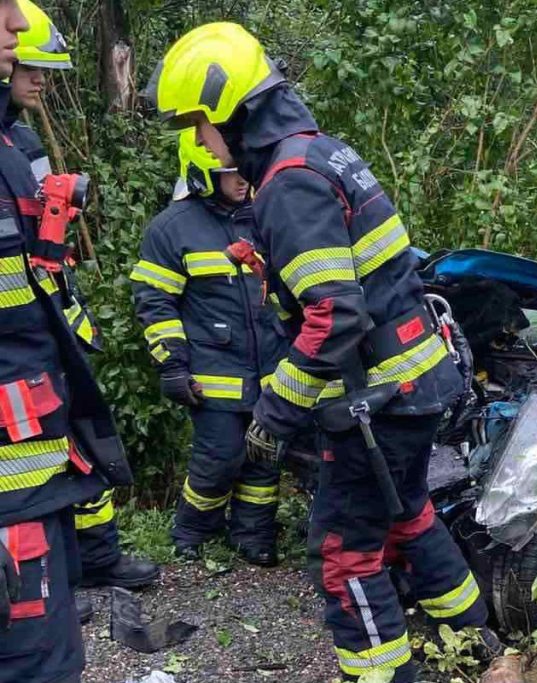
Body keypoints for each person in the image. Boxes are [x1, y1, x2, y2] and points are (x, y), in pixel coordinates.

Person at [147, 22, 492, 683]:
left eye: (198, 122)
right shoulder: (323, 153)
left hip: (379, 397)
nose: (197, 141)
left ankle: (383, 674)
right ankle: (478, 648)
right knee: (408, 514)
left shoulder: (288, 182)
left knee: (343, 557)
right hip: (415, 382)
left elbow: (334, 316)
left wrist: (275, 410)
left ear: (233, 112)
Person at [2, 0, 158, 608]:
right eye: (31, 66)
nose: (39, 78)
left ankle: (94, 560)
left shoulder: (21, 136)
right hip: (22, 340)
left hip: (51, 319)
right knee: (43, 457)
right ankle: (65, 573)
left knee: (77, 443)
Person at [130, 129, 288, 565]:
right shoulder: (172, 228)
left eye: (243, 171)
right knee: (220, 457)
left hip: (272, 369)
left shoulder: (264, 216)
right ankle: (194, 528)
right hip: (212, 370)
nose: (241, 181)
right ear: (202, 173)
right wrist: (173, 366)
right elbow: (154, 301)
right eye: (230, 173)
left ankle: (253, 535)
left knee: (264, 456)